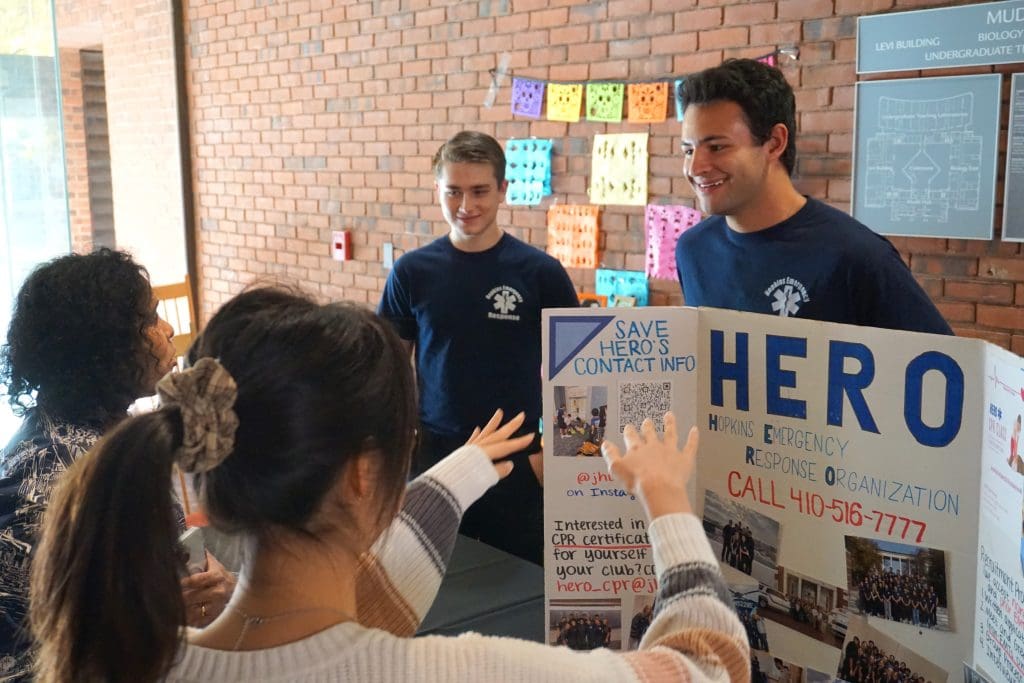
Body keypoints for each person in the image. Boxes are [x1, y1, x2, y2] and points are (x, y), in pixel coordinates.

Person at [29, 287, 749, 683]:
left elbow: (357, 605)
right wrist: (666, 498)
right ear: (366, 473)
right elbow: (710, 666)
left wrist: (460, 471)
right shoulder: (464, 671)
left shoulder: (126, 657)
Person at [0, 249, 233, 681]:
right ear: (104, 346)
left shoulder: (110, 431)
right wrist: (151, 620)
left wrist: (206, 583)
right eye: (150, 319)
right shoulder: (41, 485)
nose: (168, 330)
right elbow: (24, 663)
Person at [377, 130, 580, 564]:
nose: (466, 206)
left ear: (504, 190)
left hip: (519, 464)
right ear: (438, 190)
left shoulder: (541, 273)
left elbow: (583, 376)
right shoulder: (411, 272)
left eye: (480, 191)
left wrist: (556, 460)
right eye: (453, 192)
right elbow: (387, 371)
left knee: (521, 594)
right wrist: (394, 452)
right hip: (433, 459)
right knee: (432, 592)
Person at [674, 58, 953, 335]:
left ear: (774, 143)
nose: (695, 168)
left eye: (717, 147)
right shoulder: (693, 250)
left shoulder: (857, 257)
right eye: (688, 150)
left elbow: (946, 369)